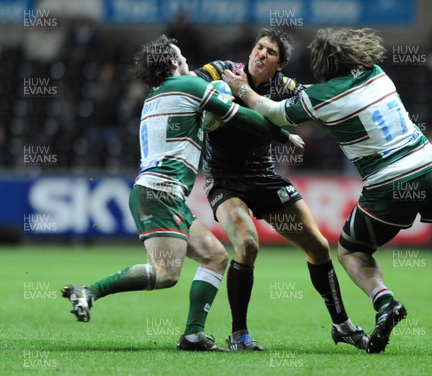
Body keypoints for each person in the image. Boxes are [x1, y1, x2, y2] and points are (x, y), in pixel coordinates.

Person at [222, 27, 432, 356]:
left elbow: (272, 111)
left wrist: (242, 89)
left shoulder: (320, 97)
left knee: (350, 252)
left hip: (389, 184)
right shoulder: (377, 74)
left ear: (324, 64)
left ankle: (384, 301)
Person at [61, 35, 302, 352]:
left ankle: (193, 335)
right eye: (181, 54)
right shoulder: (189, 87)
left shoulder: (155, 95)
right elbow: (246, 119)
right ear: (174, 62)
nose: (186, 58)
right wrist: (285, 138)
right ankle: (89, 291)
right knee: (165, 273)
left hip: (160, 193)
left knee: (215, 257)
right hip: (160, 193)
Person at [190, 28, 367, 351]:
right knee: (247, 244)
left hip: (263, 177)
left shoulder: (284, 87)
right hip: (224, 179)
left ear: (281, 64)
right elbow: (187, 83)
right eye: (258, 47)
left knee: (317, 246)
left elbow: (317, 112)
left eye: (270, 52)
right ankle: (239, 335)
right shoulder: (221, 71)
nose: (261, 54)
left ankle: (341, 324)